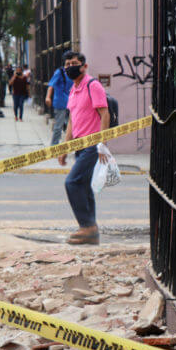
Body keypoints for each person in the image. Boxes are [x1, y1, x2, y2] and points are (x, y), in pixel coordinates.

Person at [57, 52, 109, 245]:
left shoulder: (92, 85)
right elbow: (72, 120)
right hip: (79, 145)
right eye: (67, 64)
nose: (70, 66)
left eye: (74, 63)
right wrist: (65, 148)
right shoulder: (73, 89)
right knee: (84, 186)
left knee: (72, 182)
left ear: (84, 66)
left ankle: (86, 226)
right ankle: (91, 230)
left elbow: (105, 114)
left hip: (92, 145)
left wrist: (102, 143)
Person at [45, 51, 74, 145]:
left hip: (72, 103)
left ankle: (69, 145)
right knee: (58, 126)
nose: (70, 65)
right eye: (68, 63)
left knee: (72, 125)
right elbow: (51, 85)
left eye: (72, 63)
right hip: (60, 103)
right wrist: (48, 97)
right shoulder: (59, 72)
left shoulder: (74, 72)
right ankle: (54, 146)